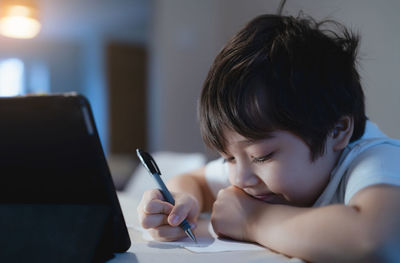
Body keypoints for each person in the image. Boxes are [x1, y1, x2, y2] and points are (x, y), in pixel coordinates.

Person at [137, 14, 400, 262]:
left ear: (337, 131)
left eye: (262, 156)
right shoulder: (252, 173)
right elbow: (194, 180)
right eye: (228, 158)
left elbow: (376, 241)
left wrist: (252, 220)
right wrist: (180, 202)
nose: (239, 179)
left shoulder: (378, 158)